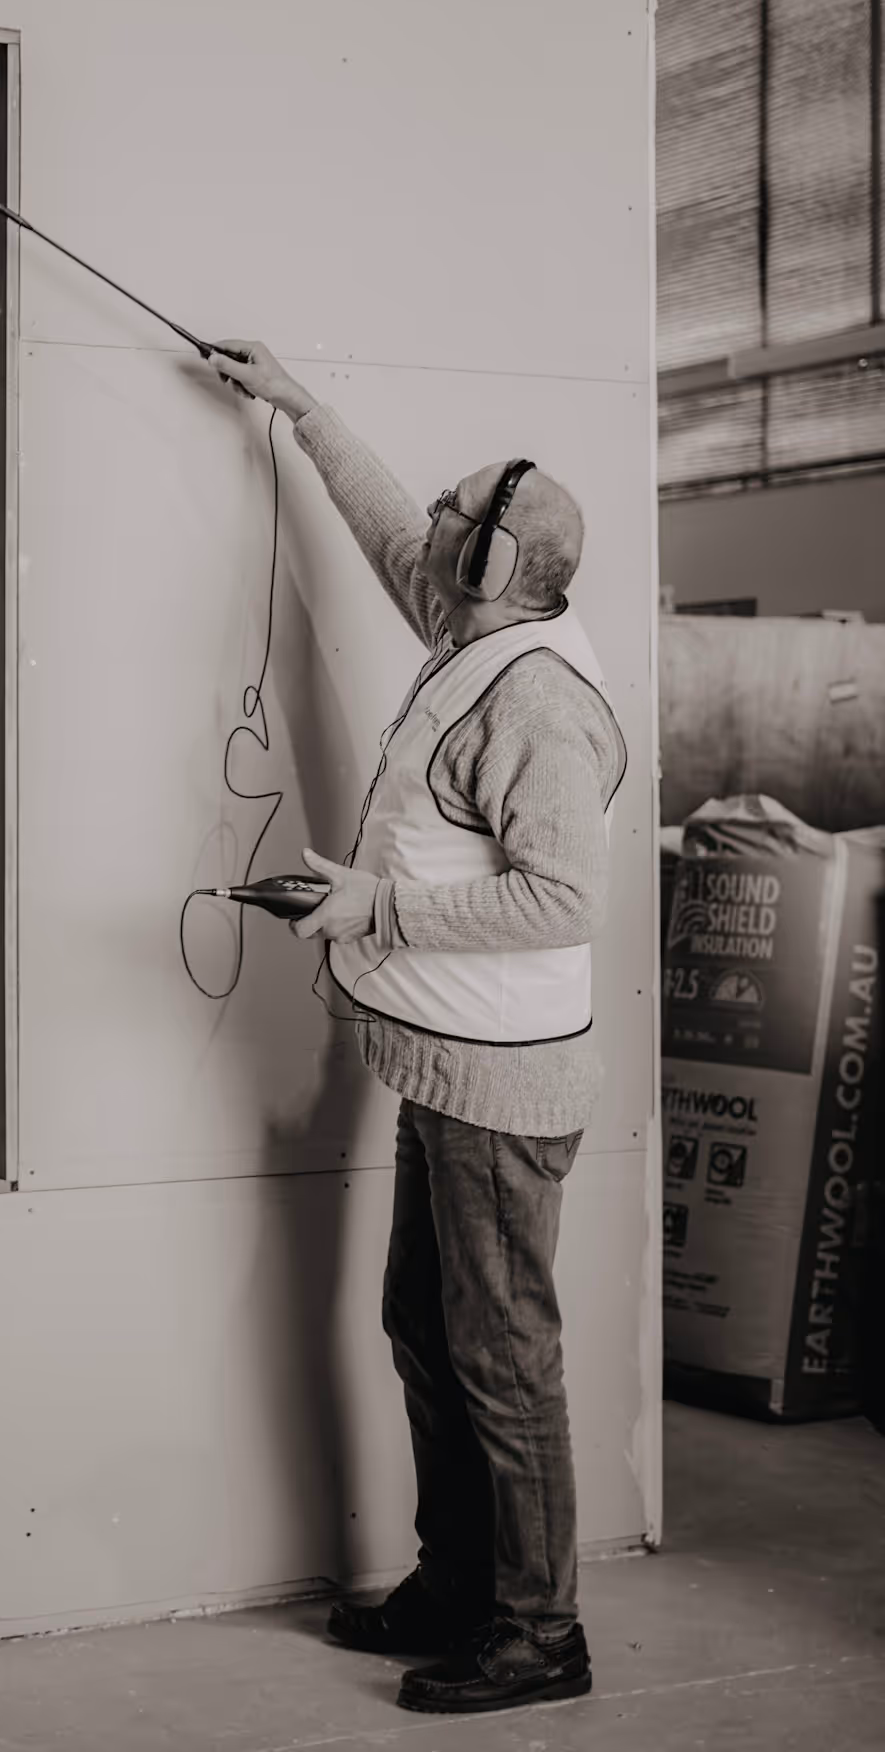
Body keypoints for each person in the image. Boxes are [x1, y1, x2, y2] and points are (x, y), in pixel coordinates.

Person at [209, 340, 627, 1718]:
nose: (431, 522)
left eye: (458, 514)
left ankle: (538, 1633)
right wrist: (298, 404)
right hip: (445, 1063)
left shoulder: (535, 703)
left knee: (501, 1353)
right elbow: (390, 526)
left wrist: (368, 906)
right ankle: (459, 1584)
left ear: (497, 567)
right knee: (427, 1327)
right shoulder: (476, 622)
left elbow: (561, 899)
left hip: (502, 1091)